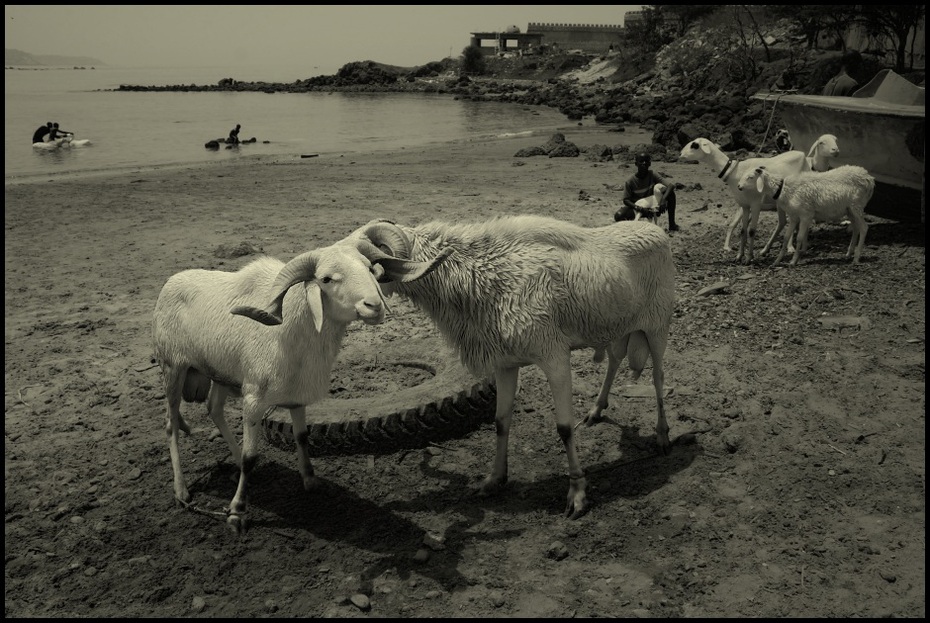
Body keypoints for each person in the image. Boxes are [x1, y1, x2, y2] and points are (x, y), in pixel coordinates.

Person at [615, 152, 679, 231]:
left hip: (653, 206)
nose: (644, 163)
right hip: (637, 208)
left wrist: (662, 201)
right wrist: (640, 208)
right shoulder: (630, 181)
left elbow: (671, 186)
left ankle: (672, 225)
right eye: (641, 161)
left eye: (646, 161)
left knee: (671, 194)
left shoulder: (653, 175)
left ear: (650, 163)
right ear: (636, 164)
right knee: (619, 215)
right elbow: (626, 200)